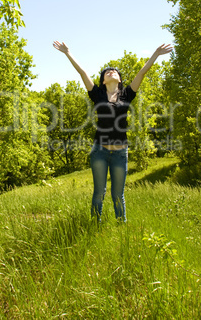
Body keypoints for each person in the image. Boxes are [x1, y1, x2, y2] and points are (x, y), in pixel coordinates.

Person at [53, 41, 172, 222]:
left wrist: (155, 53)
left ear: (119, 79)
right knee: (99, 192)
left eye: (114, 71)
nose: (111, 72)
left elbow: (142, 72)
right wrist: (67, 53)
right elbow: (83, 73)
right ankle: (95, 224)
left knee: (118, 194)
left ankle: (121, 227)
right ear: (103, 80)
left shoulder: (127, 95)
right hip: (99, 151)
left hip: (120, 153)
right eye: (107, 72)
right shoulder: (97, 95)